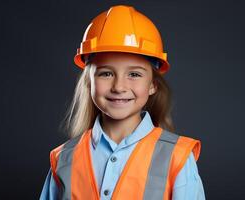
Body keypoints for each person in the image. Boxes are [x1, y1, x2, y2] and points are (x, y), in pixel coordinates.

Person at [40, 5, 205, 200]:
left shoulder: (177, 157)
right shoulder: (63, 160)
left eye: (134, 74)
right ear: (88, 82)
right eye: (106, 73)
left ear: (153, 85)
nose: (119, 87)